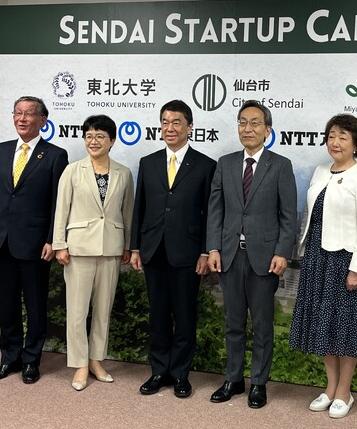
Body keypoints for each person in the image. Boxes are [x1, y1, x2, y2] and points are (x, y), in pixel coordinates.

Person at [207, 100, 297, 409]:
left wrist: (282, 252)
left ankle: (258, 382)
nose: (248, 128)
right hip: (230, 255)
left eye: (255, 123)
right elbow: (215, 210)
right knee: (233, 323)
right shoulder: (225, 163)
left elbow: (288, 215)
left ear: (268, 130)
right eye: (243, 122)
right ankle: (233, 379)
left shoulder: (280, 165)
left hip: (264, 258)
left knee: (262, 325)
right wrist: (213, 248)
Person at [289, 114, 357, 419]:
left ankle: (344, 392)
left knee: (345, 326)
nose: (335, 142)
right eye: (331, 136)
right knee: (324, 324)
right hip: (317, 257)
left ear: (356, 144)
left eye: (343, 137)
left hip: (345, 261)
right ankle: (330, 388)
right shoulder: (320, 171)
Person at [0, 96, 68, 384]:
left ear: (43, 120)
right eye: (18, 113)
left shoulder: (55, 155)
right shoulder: (1, 150)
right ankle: (9, 358)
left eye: (29, 114)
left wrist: (52, 239)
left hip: (35, 243)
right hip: (1, 239)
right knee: (7, 303)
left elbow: (57, 202)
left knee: (35, 303)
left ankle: (31, 361)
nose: (22, 118)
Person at [130, 99, 216, 398]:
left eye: (176, 122)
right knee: (158, 314)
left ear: (189, 127)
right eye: (165, 122)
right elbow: (139, 207)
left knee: (184, 315)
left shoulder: (205, 165)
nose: (170, 127)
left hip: (187, 253)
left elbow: (210, 213)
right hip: (153, 249)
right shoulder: (148, 162)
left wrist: (205, 251)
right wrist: (135, 247)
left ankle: (180, 374)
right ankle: (158, 371)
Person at [53, 114, 134, 391]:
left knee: (103, 310)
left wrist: (127, 245)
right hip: (78, 249)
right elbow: (61, 209)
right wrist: (59, 244)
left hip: (111, 248)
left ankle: (96, 360)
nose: (93, 141)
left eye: (100, 136)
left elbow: (127, 212)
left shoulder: (124, 173)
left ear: (112, 140)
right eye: (89, 136)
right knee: (77, 312)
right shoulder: (72, 171)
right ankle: (80, 365)